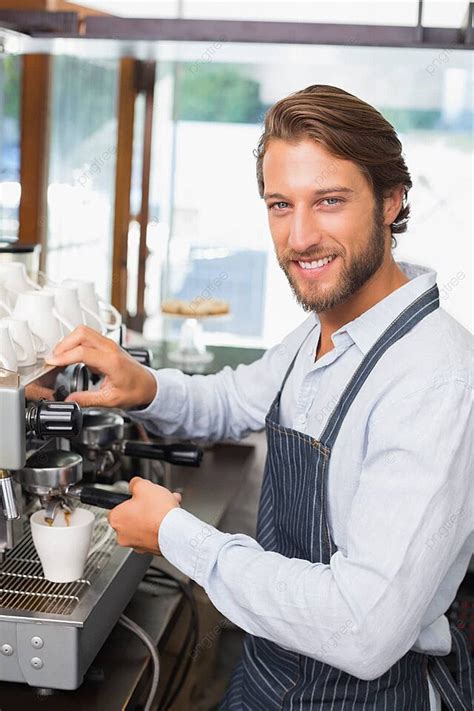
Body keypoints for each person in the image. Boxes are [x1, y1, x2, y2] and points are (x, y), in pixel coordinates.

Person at [47, 85, 473, 711]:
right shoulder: (327, 330)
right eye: (281, 205)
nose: (299, 237)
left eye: (329, 201)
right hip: (271, 672)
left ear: (391, 201)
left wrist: (174, 535)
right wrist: (146, 388)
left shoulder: (434, 379)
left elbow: (362, 629)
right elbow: (233, 400)